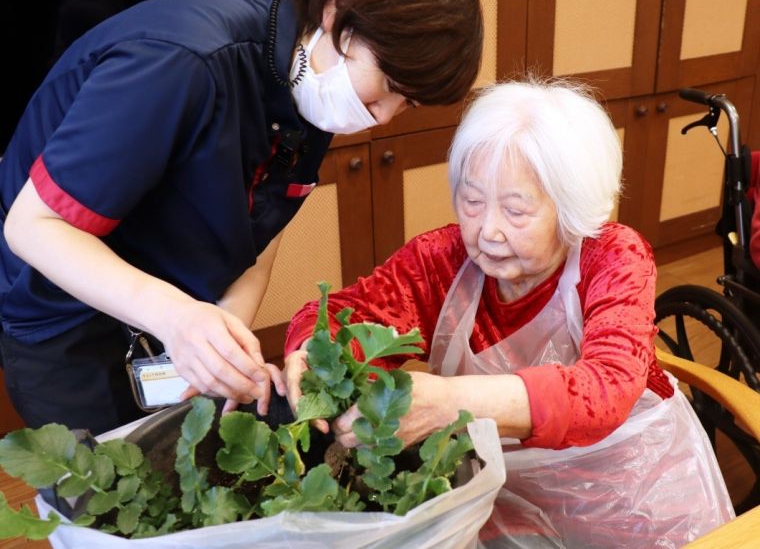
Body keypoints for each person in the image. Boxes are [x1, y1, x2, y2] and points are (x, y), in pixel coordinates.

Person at [0, 0, 483, 434]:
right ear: (337, 16)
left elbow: (259, 237)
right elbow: (34, 227)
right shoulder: (180, 63)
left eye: (407, 104)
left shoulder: (310, 88)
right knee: (110, 493)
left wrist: (229, 336)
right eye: (389, 88)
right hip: (67, 322)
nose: (383, 117)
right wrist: (177, 317)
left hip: (170, 317)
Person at [283, 79, 734, 547]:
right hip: (506, 490)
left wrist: (448, 401)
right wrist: (310, 352)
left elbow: (607, 387)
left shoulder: (613, 257)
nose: (488, 232)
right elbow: (346, 314)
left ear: (570, 208)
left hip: (628, 489)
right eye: (473, 201)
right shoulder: (441, 260)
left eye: (516, 211)